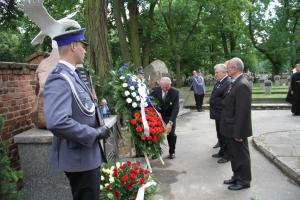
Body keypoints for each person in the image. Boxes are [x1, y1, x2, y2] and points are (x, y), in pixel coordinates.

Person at [44, 28, 110, 200]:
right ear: (73, 46)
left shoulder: (73, 74)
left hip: (86, 156)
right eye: (83, 45)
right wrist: (94, 133)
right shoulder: (59, 78)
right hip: (79, 158)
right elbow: (57, 121)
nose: (85, 50)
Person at [220, 57, 252, 191]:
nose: (227, 69)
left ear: (235, 68)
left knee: (241, 156)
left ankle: (244, 180)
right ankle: (236, 176)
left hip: (236, 129)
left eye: (228, 67)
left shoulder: (242, 84)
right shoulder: (235, 82)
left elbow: (242, 112)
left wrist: (238, 133)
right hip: (230, 127)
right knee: (234, 155)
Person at [150, 77, 179, 159]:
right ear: (160, 85)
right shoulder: (155, 90)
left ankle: (172, 152)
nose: (165, 89)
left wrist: (170, 122)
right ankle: (156, 152)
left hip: (170, 116)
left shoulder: (175, 92)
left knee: (171, 134)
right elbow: (149, 100)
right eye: (163, 87)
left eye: (167, 87)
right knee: (156, 134)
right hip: (158, 116)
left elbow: (175, 108)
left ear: (170, 85)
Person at [210, 64, 231, 164]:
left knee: (224, 135)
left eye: (217, 72)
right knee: (220, 134)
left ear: (224, 72)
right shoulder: (219, 82)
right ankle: (222, 151)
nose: (215, 74)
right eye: (215, 72)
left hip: (222, 114)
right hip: (217, 114)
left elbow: (226, 100)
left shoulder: (228, 82)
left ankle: (227, 155)